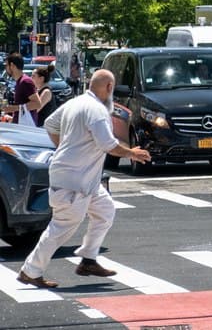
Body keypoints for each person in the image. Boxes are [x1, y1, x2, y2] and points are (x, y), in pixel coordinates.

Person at [16, 69, 150, 288]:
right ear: (109, 88)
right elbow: (109, 145)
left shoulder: (75, 103)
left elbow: (50, 124)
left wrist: (63, 147)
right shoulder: (96, 110)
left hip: (83, 179)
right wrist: (133, 153)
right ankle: (30, 271)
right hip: (74, 179)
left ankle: (88, 259)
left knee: (105, 211)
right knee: (62, 226)